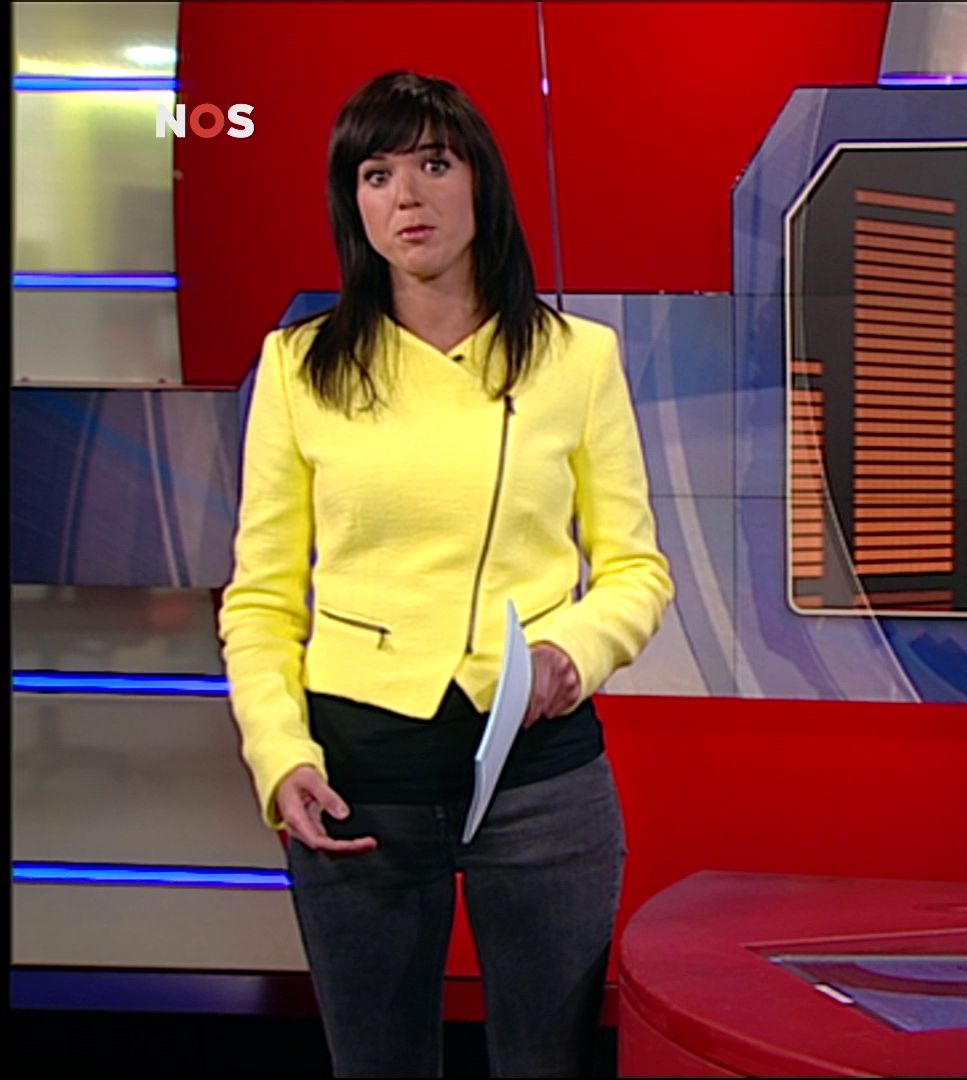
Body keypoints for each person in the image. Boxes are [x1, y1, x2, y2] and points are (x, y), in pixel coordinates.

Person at [218, 70, 674, 1078]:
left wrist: (570, 654)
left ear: (481, 183)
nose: (407, 198)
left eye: (433, 163)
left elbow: (636, 569)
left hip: (539, 772)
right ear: (353, 203)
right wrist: (279, 755)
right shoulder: (298, 368)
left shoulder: (576, 359)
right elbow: (260, 600)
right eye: (376, 175)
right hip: (360, 781)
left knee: (547, 1061)